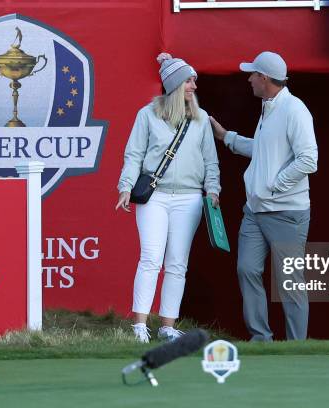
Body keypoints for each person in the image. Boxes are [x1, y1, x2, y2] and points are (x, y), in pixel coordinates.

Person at [210, 51, 318, 341]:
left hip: (287, 213)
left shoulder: (295, 110)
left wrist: (274, 185)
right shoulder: (269, 107)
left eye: (253, 74)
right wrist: (226, 137)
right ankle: (261, 339)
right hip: (255, 211)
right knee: (247, 269)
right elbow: (263, 150)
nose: (248, 79)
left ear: (265, 78)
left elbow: (309, 159)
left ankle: (297, 349)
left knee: (289, 283)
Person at [116, 53, 221, 343]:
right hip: (155, 197)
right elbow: (134, 154)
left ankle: (167, 326)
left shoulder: (200, 120)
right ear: (175, 84)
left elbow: (211, 161)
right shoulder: (147, 115)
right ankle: (139, 325)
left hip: (189, 199)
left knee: (177, 263)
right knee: (150, 259)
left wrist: (213, 190)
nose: (194, 87)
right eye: (189, 81)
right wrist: (126, 186)